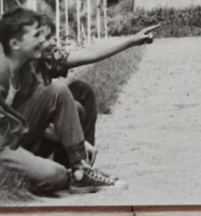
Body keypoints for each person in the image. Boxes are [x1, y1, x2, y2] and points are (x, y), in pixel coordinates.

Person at [0, 8, 120, 194]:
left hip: (5, 134)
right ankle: (56, 175)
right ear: (15, 43)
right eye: (36, 36)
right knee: (56, 176)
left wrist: (79, 144)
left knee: (58, 89)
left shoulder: (24, 67)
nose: (42, 41)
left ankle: (80, 171)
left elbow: (34, 116)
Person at [33, 14, 157, 167]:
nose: (53, 42)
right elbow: (28, 124)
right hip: (29, 139)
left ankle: (81, 166)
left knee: (82, 90)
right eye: (46, 38)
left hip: (46, 128)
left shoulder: (47, 60)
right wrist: (77, 141)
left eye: (52, 37)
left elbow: (89, 53)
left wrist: (132, 40)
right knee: (74, 107)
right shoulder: (19, 69)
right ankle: (78, 166)